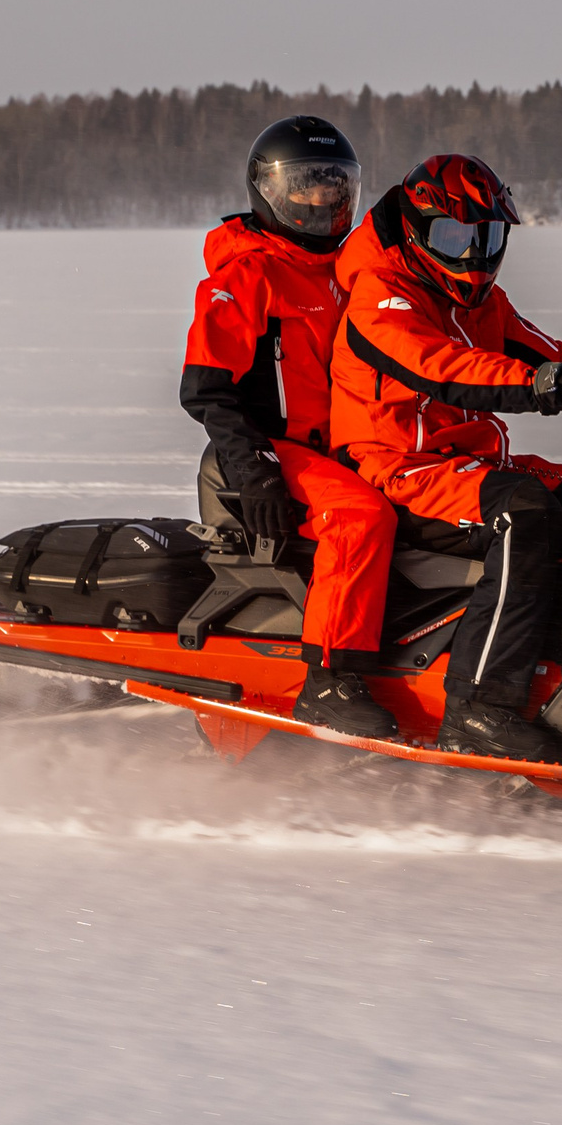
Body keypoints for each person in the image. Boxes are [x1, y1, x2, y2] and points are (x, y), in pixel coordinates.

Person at [329, 154, 562, 761]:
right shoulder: (382, 296)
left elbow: (548, 351)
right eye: (454, 236)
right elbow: (445, 370)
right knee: (526, 514)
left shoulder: (479, 301)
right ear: (417, 232)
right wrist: (550, 385)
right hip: (397, 465)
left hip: (464, 462)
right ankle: (479, 705)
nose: (472, 255)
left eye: (486, 236)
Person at [179, 116, 400, 740]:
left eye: (334, 186)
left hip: (352, 444)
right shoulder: (247, 274)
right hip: (282, 449)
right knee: (361, 520)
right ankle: (329, 680)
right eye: (305, 186)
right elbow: (206, 389)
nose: (322, 200)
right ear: (269, 190)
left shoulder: (351, 270)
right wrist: (254, 468)